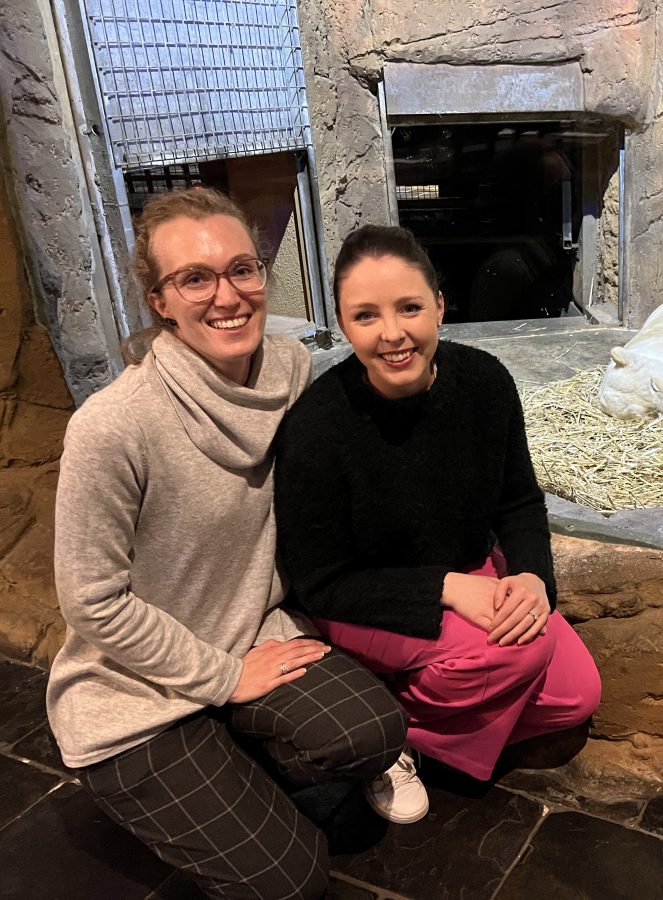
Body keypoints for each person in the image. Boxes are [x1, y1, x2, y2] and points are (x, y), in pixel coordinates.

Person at [46, 188, 411, 900]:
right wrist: (220, 678)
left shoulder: (289, 371)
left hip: (253, 634)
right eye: (195, 279)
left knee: (372, 731)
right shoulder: (112, 426)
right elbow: (92, 602)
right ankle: (160, 780)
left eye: (243, 269)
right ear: (159, 299)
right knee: (291, 881)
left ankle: (237, 748)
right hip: (136, 683)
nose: (228, 296)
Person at [273, 224, 601, 796]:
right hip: (366, 597)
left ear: (440, 306)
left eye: (409, 308)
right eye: (366, 315)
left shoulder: (486, 382)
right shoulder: (317, 426)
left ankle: (401, 722)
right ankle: (376, 733)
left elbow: (519, 498)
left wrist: (530, 574)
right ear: (344, 324)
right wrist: (445, 589)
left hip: (467, 575)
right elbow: (321, 582)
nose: (392, 334)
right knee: (525, 654)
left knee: (577, 696)